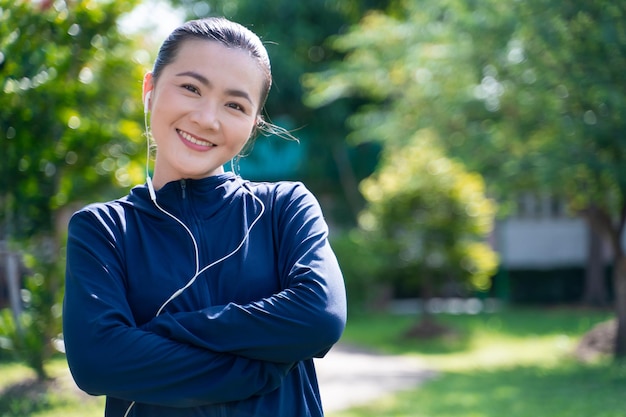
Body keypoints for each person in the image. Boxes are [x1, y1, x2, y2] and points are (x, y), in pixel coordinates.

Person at [63, 17, 347, 417]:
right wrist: (257, 370)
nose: (207, 119)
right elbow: (97, 362)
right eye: (191, 88)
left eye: (234, 104)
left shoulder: (285, 208)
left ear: (253, 124)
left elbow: (320, 318)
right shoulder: (104, 229)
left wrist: (157, 331)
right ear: (150, 89)